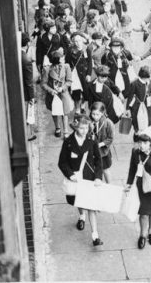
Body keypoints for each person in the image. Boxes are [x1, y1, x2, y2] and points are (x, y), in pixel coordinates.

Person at [58, 115, 104, 246]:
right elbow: (62, 162)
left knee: (92, 207)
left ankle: (95, 236)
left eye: (86, 128)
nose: (84, 131)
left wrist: (98, 177)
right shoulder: (68, 142)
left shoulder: (92, 140)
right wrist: (70, 174)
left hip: (89, 178)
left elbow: (98, 161)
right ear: (76, 127)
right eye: (82, 128)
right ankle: (81, 216)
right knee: (79, 201)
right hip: (75, 179)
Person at [42, 48, 73, 138]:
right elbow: (43, 84)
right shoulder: (47, 69)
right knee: (55, 112)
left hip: (63, 93)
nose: (63, 59)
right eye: (62, 58)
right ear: (57, 60)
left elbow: (69, 81)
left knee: (65, 112)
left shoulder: (66, 66)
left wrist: (62, 88)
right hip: (53, 94)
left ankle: (66, 130)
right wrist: (51, 90)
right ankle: (57, 128)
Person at [126, 66, 151, 140]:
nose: (147, 80)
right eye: (145, 78)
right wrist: (127, 108)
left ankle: (146, 137)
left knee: (149, 122)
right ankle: (136, 134)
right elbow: (130, 97)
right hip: (137, 106)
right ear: (141, 77)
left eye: (148, 78)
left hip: (148, 106)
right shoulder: (134, 84)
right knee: (137, 122)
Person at [65, 31, 93, 118]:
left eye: (79, 40)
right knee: (76, 92)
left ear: (82, 40)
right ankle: (77, 109)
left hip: (84, 74)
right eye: (75, 41)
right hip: (75, 74)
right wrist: (68, 74)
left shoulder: (87, 49)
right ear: (73, 41)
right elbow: (67, 63)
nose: (77, 43)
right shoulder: (70, 50)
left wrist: (89, 74)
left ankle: (83, 106)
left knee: (85, 91)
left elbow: (90, 63)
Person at [88, 102, 115, 183]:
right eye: (93, 114)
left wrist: (100, 144)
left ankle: (109, 186)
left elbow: (110, 138)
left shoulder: (108, 123)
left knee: (106, 170)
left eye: (97, 114)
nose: (95, 117)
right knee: (95, 170)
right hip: (93, 152)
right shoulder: (89, 122)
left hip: (103, 152)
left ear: (102, 113)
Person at [21, 33, 36, 141]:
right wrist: (32, 97)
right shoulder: (26, 60)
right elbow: (29, 81)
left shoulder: (18, 55)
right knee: (28, 113)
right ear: (27, 43)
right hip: (25, 91)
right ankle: (29, 134)